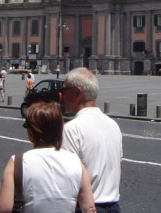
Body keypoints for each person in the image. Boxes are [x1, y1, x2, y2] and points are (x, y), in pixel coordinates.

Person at [0, 102, 96, 213]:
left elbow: (3, 208)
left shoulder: (17, 162)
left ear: (31, 132)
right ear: (60, 130)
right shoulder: (76, 162)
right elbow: (89, 208)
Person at [61, 67, 123, 213]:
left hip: (86, 207)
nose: (61, 96)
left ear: (77, 92)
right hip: (114, 207)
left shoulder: (72, 129)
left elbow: (68, 178)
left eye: (64, 91)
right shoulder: (113, 125)